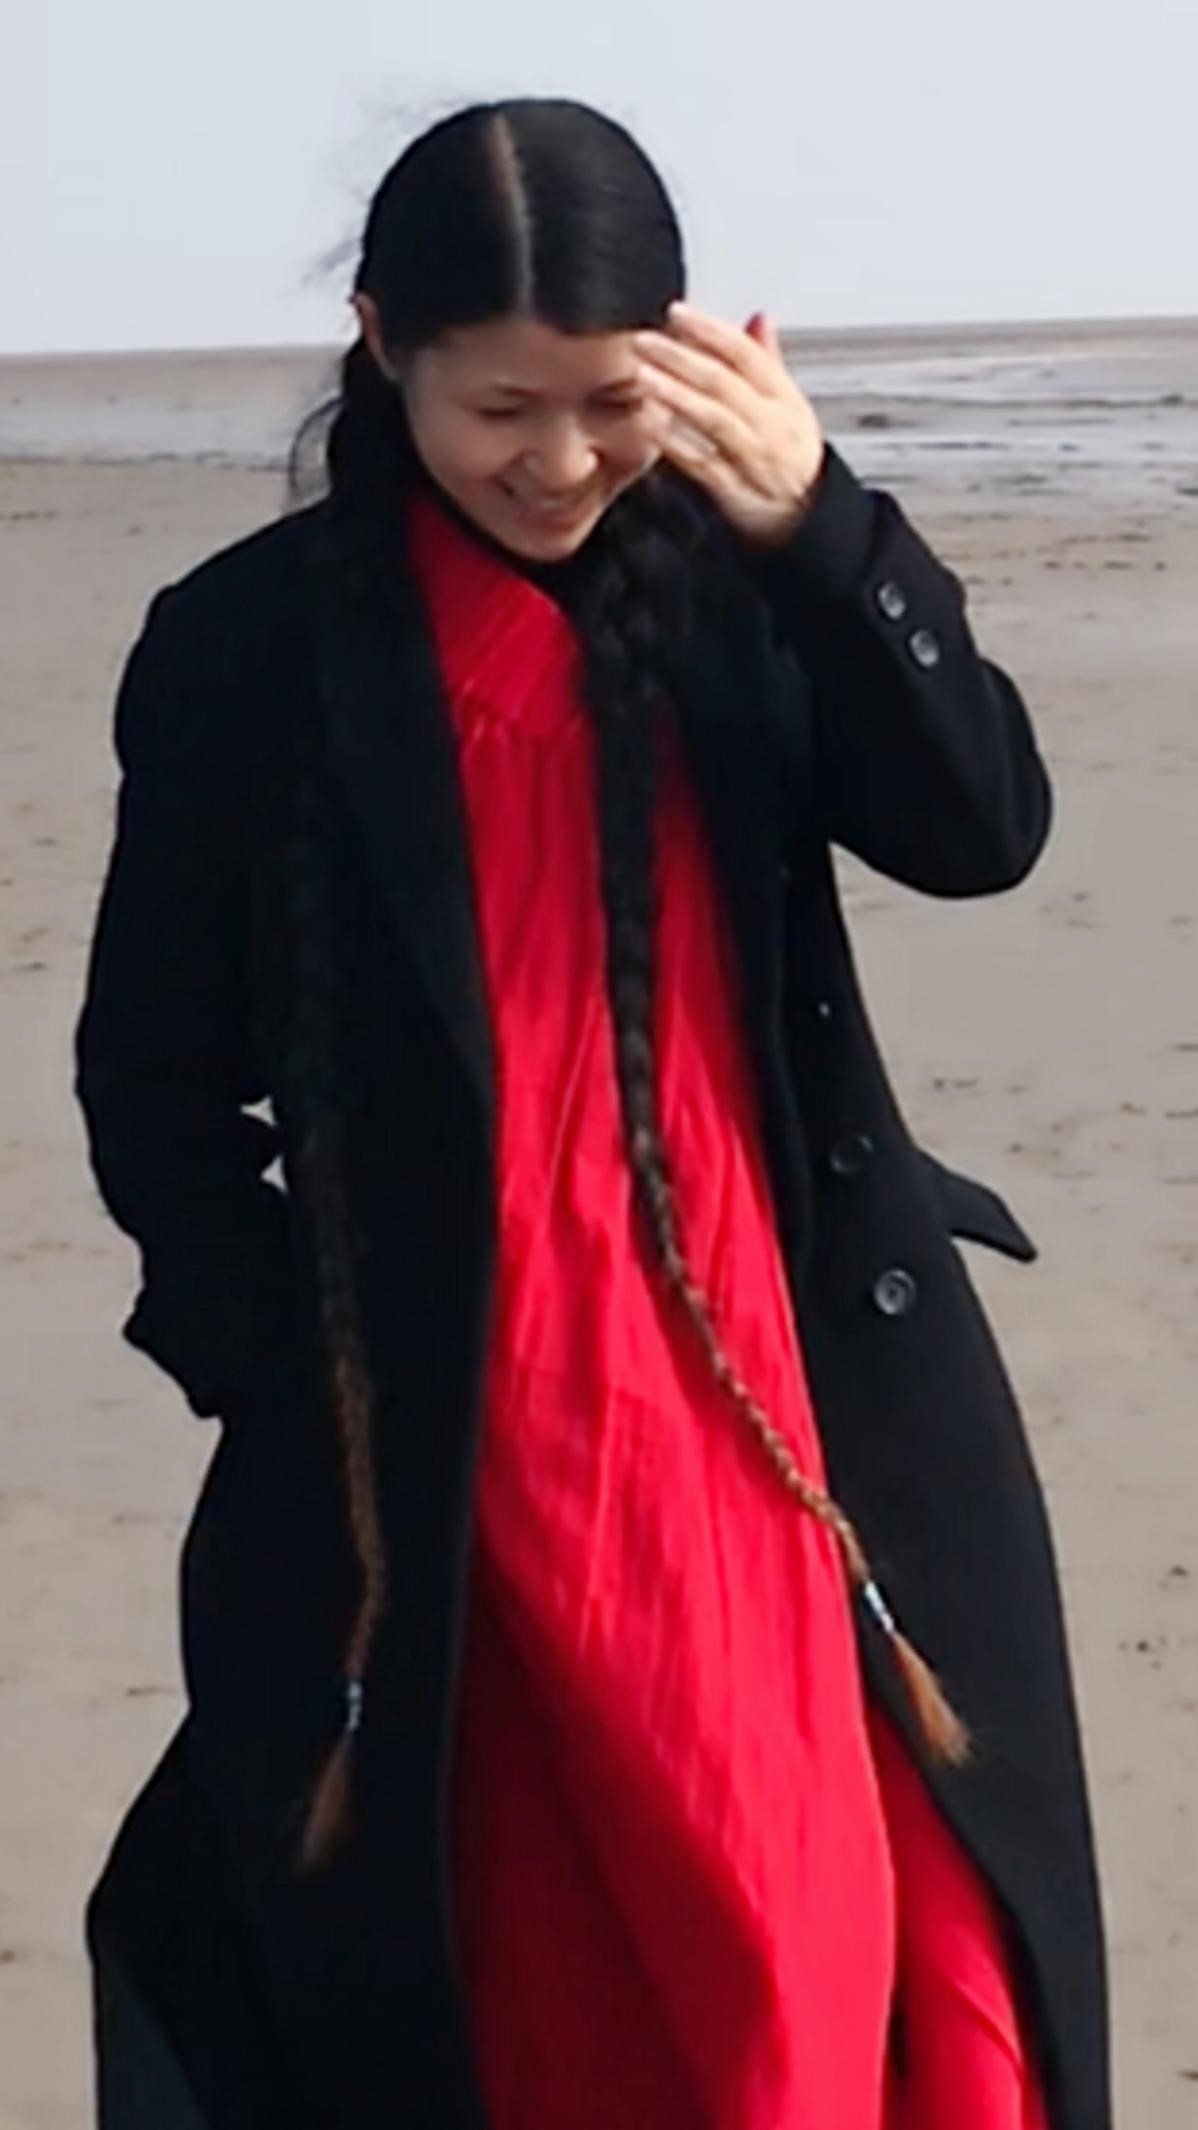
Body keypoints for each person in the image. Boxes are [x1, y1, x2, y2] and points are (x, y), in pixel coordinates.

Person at [74, 97, 1110, 2130]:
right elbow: (154, 1071)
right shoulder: (248, 645)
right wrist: (278, 1368)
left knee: (813, 1960)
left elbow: (980, 825)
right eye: (499, 409)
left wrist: (824, 527)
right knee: (521, 1983)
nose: (557, 461)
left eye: (611, 404)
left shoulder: (744, 585)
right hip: (452, 1426)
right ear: (382, 347)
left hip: (778, 1393)